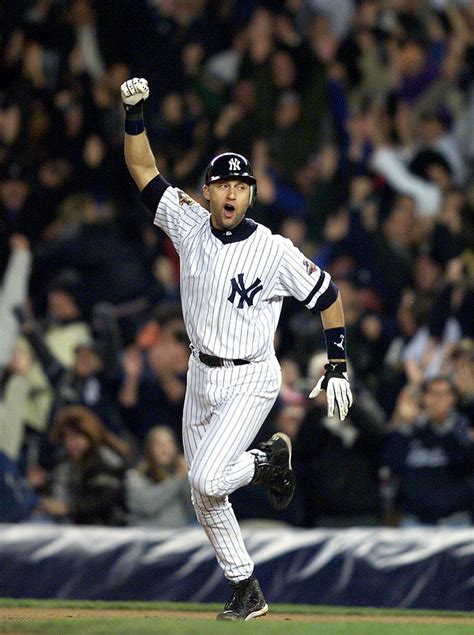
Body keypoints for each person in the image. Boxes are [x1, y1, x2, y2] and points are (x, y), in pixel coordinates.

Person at [121, 77, 353, 621]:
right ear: (206, 192)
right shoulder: (187, 223)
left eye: (241, 185)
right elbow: (141, 170)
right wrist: (134, 113)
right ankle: (247, 589)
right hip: (201, 374)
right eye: (222, 184)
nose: (231, 193)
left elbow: (329, 296)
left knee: (206, 476)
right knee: (204, 495)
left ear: (251, 193)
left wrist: (338, 362)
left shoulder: (272, 249)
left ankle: (270, 457)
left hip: (251, 376)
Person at [125, 425, 193, 528]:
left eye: (169, 443)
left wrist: (191, 476)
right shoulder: (135, 476)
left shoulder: (181, 474)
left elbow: (193, 508)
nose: (165, 448)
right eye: (159, 444)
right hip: (147, 539)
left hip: (180, 537)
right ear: (149, 449)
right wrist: (177, 480)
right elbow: (147, 506)